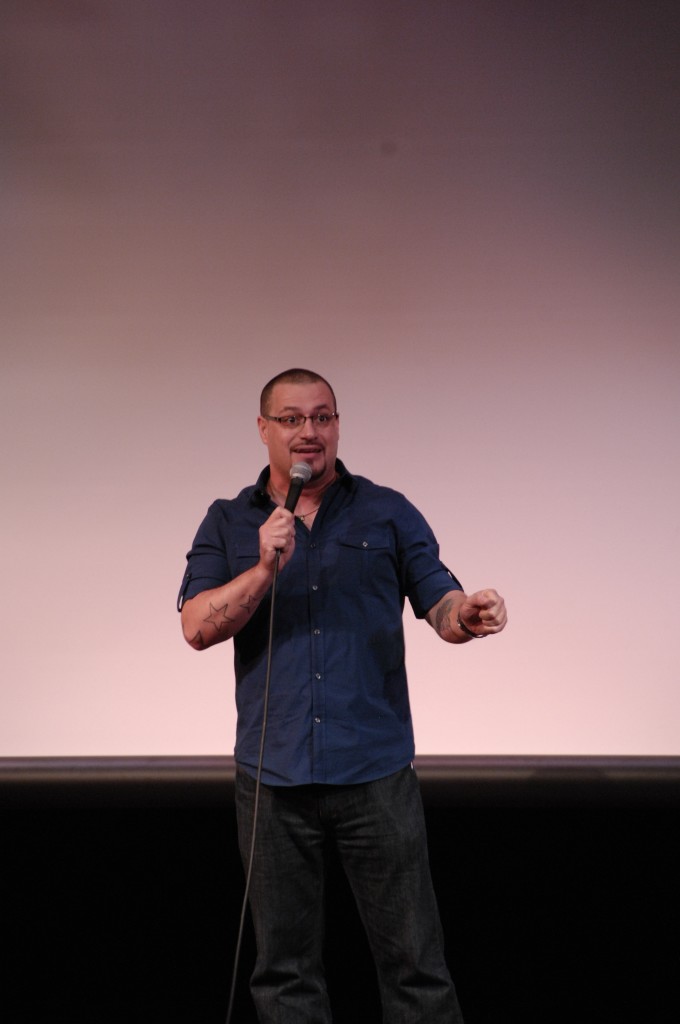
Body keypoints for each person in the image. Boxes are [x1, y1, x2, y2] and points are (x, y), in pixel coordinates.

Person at [177, 368, 507, 1024]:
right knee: (285, 976)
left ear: (336, 426)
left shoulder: (386, 511)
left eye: (323, 417)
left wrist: (466, 614)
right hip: (273, 778)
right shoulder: (228, 521)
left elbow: (439, 599)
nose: (310, 432)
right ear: (264, 429)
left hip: (373, 774)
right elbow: (196, 626)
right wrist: (264, 569)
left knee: (416, 968)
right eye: (293, 419)